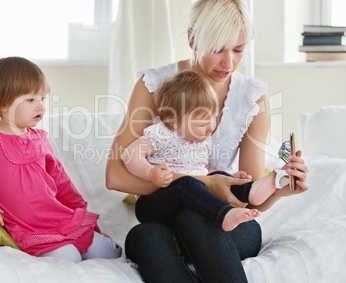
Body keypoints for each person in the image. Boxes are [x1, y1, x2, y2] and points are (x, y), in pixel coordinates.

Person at [106, 0, 309, 282]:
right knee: (143, 236)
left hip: (226, 223)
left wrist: (278, 189)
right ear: (192, 39)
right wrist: (206, 184)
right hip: (165, 216)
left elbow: (248, 196)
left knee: (190, 220)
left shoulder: (252, 97)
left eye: (238, 50)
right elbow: (115, 175)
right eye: (217, 49)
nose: (229, 63)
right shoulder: (155, 85)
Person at [0, 56, 122, 263]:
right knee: (70, 257)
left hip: (58, 217)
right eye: (31, 100)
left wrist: (83, 217)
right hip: (27, 227)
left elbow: (61, 181)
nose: (40, 107)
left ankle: (98, 241)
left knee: (109, 252)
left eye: (42, 98)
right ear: (4, 103)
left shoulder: (40, 139)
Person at [121, 70, 286, 232]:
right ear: (173, 121)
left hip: (186, 204)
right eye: (201, 124)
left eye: (213, 119)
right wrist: (150, 173)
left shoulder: (201, 141)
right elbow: (129, 155)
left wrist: (227, 177)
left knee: (217, 177)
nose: (211, 129)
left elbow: (201, 171)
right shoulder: (162, 133)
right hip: (154, 202)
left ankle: (251, 190)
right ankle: (225, 214)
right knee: (186, 183)